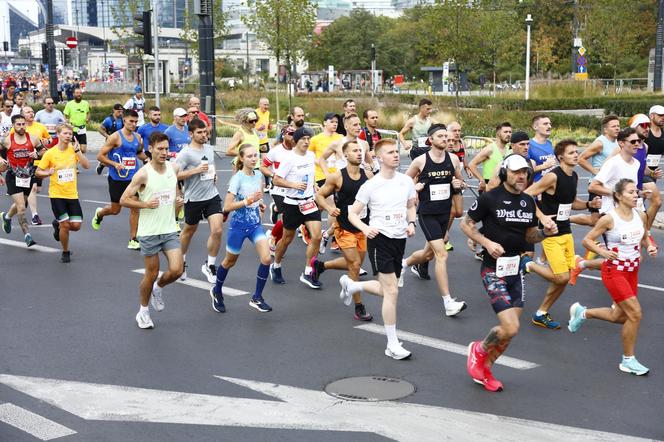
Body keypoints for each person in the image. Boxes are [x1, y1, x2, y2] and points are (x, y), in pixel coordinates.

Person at [461, 154, 557, 391]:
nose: (521, 176)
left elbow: (529, 236)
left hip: (515, 271)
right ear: (505, 173)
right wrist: (486, 242)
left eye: (524, 172)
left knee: (511, 332)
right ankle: (478, 350)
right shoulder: (490, 198)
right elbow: (466, 224)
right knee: (510, 327)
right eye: (515, 172)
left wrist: (546, 233)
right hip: (493, 270)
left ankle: (486, 370)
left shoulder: (528, 201)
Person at [568, 178, 657, 376]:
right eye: (631, 192)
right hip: (613, 271)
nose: (636, 195)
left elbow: (645, 235)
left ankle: (583, 313)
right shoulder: (609, 219)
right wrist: (605, 254)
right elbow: (587, 240)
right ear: (618, 195)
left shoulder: (640, 215)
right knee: (635, 314)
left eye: (636, 192)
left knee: (620, 316)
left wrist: (649, 245)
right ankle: (628, 360)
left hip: (632, 271)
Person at [338, 139, 417, 360]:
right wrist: (366, 228)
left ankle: (353, 285)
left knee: (386, 289)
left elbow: (411, 206)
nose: (395, 155)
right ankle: (392, 344)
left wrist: (412, 224)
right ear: (379, 157)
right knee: (392, 291)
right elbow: (353, 213)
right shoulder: (370, 185)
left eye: (396, 152)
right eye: (390, 152)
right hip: (379, 239)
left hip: (399, 239)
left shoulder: (406, 181)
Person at [522, 140, 601, 329]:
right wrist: (542, 217)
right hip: (551, 234)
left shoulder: (573, 176)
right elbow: (526, 195)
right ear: (560, 157)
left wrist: (590, 205)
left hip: (566, 232)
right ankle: (528, 264)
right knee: (562, 277)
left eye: (576, 151)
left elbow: (572, 203)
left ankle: (541, 313)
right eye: (572, 152)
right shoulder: (552, 176)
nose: (576, 155)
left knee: (563, 279)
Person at [398, 124, 468, 317]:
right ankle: (448, 303)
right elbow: (404, 182)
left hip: (444, 213)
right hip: (427, 213)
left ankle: (402, 265)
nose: (446, 139)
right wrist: (415, 187)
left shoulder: (453, 159)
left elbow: (460, 182)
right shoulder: (421, 161)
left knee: (428, 255)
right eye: (441, 136)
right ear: (431, 140)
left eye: (447, 136)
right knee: (442, 254)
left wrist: (458, 184)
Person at [119, 132, 184, 329]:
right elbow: (124, 199)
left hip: (169, 228)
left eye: (167, 149)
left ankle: (159, 287)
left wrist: (178, 203)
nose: (165, 153)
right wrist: (146, 204)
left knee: (176, 270)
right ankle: (143, 311)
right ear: (150, 149)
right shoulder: (143, 174)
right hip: (149, 232)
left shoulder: (173, 168)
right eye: (160, 149)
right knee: (151, 272)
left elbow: (174, 194)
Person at [312, 140, 373, 321]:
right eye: (354, 151)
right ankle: (359, 306)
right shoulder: (337, 177)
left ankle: (321, 265)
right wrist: (330, 209)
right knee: (354, 265)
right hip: (344, 227)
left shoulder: (368, 176)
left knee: (354, 264)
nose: (359, 153)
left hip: (362, 227)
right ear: (345, 155)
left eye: (360, 150)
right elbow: (320, 196)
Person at [210, 144, 273, 314]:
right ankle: (217, 290)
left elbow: (258, 197)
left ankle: (257, 297)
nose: (254, 159)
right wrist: (248, 201)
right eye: (250, 156)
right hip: (238, 226)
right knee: (229, 262)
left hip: (254, 225)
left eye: (256, 155)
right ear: (242, 158)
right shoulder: (237, 178)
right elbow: (227, 206)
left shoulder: (259, 175)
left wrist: (260, 205)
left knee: (266, 259)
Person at [271, 126, 323, 288]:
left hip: (309, 203)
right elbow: (276, 180)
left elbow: (310, 174)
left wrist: (314, 185)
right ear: (296, 141)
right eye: (303, 139)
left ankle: (308, 272)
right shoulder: (289, 158)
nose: (307, 142)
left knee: (317, 236)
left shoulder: (311, 156)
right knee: (287, 239)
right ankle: (276, 265)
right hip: (292, 203)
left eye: (309, 139)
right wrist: (293, 184)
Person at [175, 118, 223, 283]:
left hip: (211, 195)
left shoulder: (209, 149)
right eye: (200, 132)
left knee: (217, 230)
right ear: (191, 134)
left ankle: (210, 265)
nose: (204, 135)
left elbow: (211, 165)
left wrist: (214, 174)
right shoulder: (185, 154)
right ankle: (180, 262)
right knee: (189, 231)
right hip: (194, 198)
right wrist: (195, 171)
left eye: (205, 132)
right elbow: (174, 174)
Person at [35, 123, 91, 262]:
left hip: (72, 194)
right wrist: (47, 172)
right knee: (65, 225)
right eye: (65, 133)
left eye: (70, 134)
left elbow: (86, 166)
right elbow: (38, 172)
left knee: (76, 226)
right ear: (58, 134)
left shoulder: (73, 149)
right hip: (57, 194)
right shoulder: (50, 153)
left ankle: (57, 224)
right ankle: (65, 251)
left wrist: (78, 151)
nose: (68, 136)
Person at [92, 109, 146, 249]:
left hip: (132, 178)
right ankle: (100, 213)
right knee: (115, 210)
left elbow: (139, 153)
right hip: (117, 178)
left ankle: (133, 239)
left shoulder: (138, 137)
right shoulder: (115, 137)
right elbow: (100, 156)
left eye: (136, 122)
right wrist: (114, 164)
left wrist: (149, 159)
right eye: (131, 121)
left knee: (135, 206)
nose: (134, 124)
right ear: (124, 121)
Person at [0, 114, 47, 246]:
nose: (21, 127)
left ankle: (7, 217)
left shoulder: (32, 138)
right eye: (18, 124)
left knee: (23, 204)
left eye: (23, 124)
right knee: (21, 207)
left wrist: (37, 154)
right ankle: (27, 235)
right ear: (13, 125)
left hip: (28, 176)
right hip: (13, 176)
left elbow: (44, 151)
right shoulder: (7, 140)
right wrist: (1, 160)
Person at [571, 115, 620, 227]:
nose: (617, 128)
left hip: (612, 184)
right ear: (606, 129)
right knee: (595, 221)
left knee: (610, 218)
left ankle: (603, 243)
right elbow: (581, 158)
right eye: (613, 126)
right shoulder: (600, 142)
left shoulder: (618, 142)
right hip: (598, 185)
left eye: (618, 126)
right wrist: (596, 172)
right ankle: (568, 219)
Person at [260, 125, 295, 253]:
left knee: (291, 218)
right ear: (283, 135)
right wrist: (273, 175)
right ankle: (273, 237)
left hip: (293, 188)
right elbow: (263, 166)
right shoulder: (276, 151)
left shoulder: (298, 150)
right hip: (278, 188)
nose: (293, 136)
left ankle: (275, 209)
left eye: (294, 134)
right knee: (287, 216)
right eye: (290, 134)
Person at [14, 106, 51, 226]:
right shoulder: (16, 129)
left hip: (40, 163)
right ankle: (35, 216)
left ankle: (9, 214)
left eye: (32, 111)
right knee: (33, 188)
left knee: (35, 190)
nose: (31, 113)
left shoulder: (40, 126)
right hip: (24, 165)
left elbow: (49, 139)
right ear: (22, 115)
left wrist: (47, 142)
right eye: (28, 112)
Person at [468, 122, 512, 193]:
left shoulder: (510, 149)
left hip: (505, 185)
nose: (509, 134)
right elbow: (472, 164)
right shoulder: (490, 149)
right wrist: (481, 180)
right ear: (498, 134)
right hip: (490, 185)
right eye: (505, 132)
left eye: (510, 132)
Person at [95, 104, 125, 175]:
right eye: (118, 111)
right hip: (110, 141)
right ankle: (106, 167)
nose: (120, 113)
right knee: (111, 157)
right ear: (114, 110)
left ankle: (103, 165)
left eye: (121, 111)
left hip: (120, 141)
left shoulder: (123, 119)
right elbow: (100, 129)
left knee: (119, 156)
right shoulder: (108, 120)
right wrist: (108, 136)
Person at [528, 114, 556, 182]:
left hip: (551, 186)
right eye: (545, 124)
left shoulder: (549, 143)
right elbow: (525, 169)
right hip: (537, 187)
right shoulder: (529, 145)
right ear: (535, 127)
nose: (549, 126)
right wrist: (544, 166)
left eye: (550, 124)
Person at [63, 88, 90, 153]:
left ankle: (79, 159)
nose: (79, 94)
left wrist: (88, 119)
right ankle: (73, 161)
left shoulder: (85, 103)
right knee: (73, 149)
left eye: (80, 93)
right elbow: (65, 115)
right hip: (73, 129)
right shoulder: (69, 104)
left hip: (82, 129)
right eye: (77, 93)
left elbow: (88, 113)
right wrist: (67, 124)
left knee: (83, 149)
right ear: (74, 94)